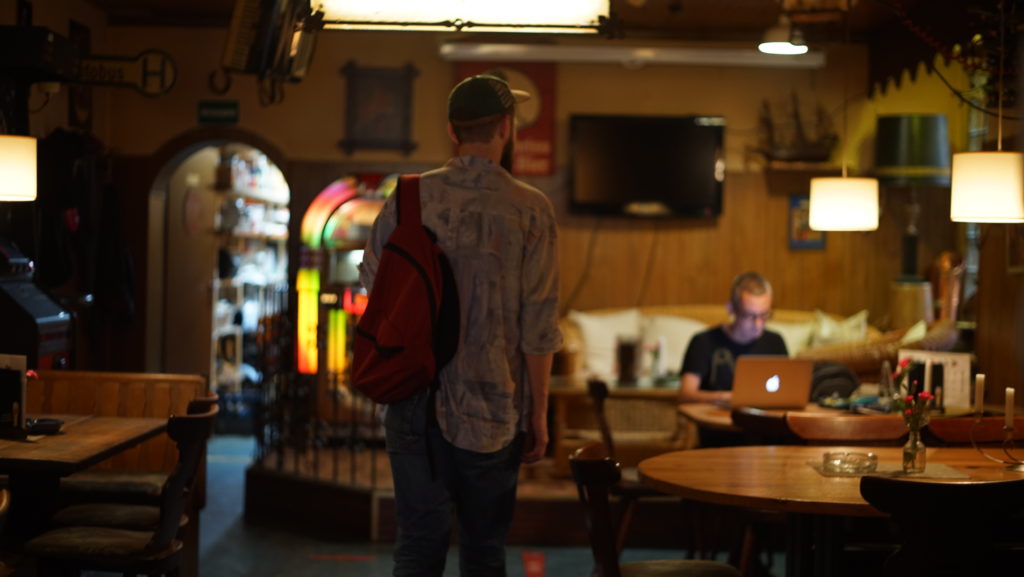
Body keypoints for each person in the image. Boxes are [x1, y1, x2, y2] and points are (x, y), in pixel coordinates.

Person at [358, 74, 562, 577]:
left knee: (417, 546)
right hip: (494, 408)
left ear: (452, 130)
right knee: (484, 548)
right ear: (507, 129)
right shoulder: (532, 209)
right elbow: (538, 324)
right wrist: (538, 414)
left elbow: (372, 286)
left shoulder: (408, 198)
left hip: (412, 401)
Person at [677, 271, 788, 405]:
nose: (758, 324)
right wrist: (726, 398)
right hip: (714, 423)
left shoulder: (775, 342)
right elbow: (685, 394)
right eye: (748, 316)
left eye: (764, 315)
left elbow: (788, 391)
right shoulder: (703, 342)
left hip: (764, 423)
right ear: (731, 309)